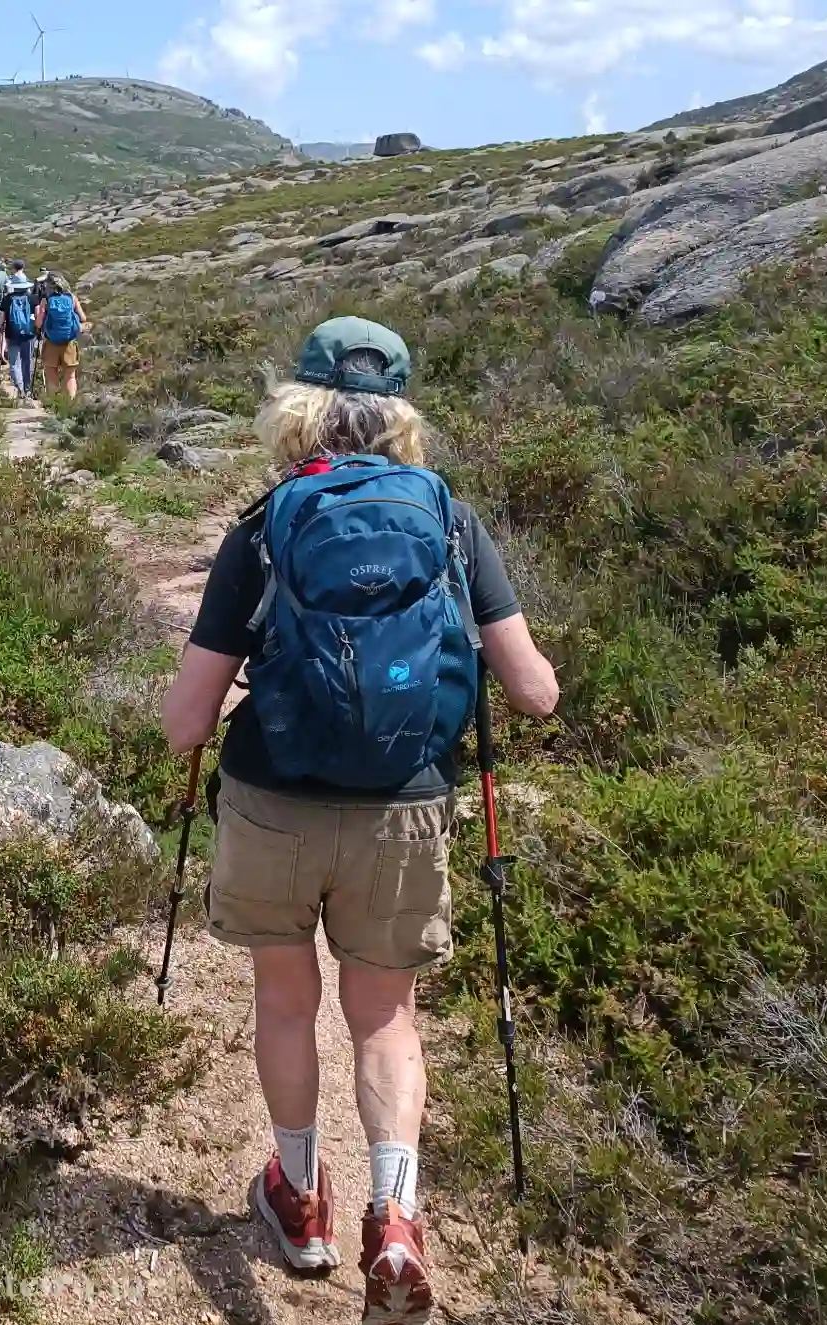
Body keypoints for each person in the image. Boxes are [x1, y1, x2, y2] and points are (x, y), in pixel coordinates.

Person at [160, 317, 559, 1325]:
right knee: (384, 1018)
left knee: (284, 1000)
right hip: (403, 806)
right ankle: (395, 1214)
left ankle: (298, 1201)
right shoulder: (449, 521)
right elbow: (534, 694)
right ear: (402, 416)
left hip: (273, 800)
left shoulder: (264, 523)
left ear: (294, 407)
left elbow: (181, 725)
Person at [34, 271, 89, 400]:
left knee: (51, 374)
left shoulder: (46, 300)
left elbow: (39, 323)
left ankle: (54, 404)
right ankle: (69, 404)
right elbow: (83, 318)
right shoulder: (71, 297)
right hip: (69, 342)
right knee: (70, 376)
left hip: (51, 342)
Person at [1, 258, 39, 399]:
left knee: (14, 362)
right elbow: (37, 316)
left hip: (12, 333)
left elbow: (1, 319)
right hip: (29, 333)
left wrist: (1, 329)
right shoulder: (33, 298)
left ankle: (19, 388)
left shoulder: (7, 299)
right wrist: (37, 329)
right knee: (27, 360)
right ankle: (28, 388)